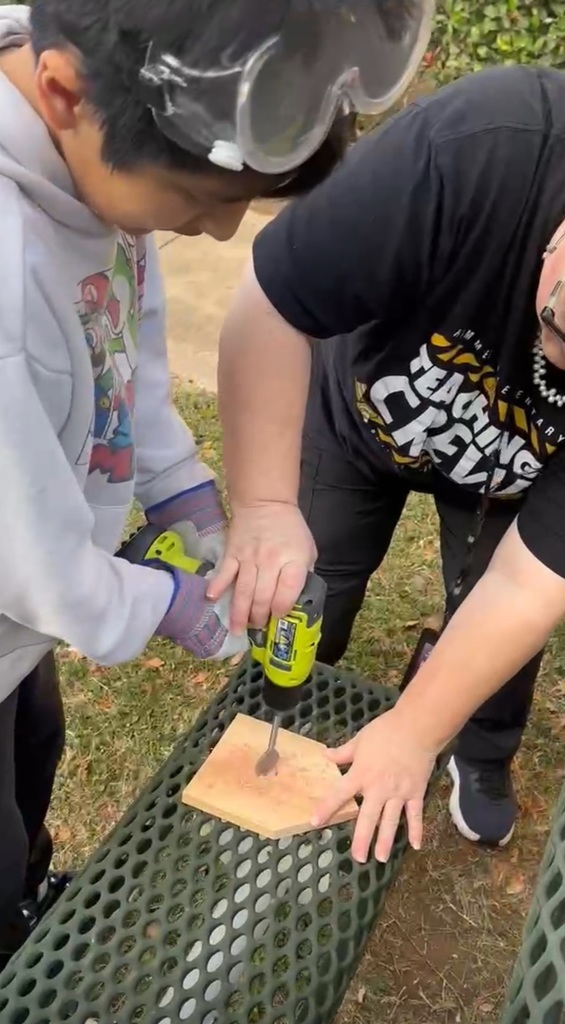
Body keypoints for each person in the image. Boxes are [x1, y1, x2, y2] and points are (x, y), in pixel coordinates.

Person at [0, 0, 433, 964]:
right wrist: (175, 606)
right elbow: (39, 573)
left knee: (31, 753)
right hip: (16, 588)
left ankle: (27, 891)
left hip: (14, 635)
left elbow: (126, 358)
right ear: (65, 93)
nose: (221, 226)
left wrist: (184, 493)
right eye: (197, 200)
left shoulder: (96, 141)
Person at [212, 62, 565, 865]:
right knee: (310, 590)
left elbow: (530, 580)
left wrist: (413, 731)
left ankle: (479, 754)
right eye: (559, 326)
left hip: (514, 475)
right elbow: (273, 299)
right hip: (360, 412)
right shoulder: (481, 142)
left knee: (489, 621)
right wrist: (265, 508)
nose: (549, 362)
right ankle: (280, 720)